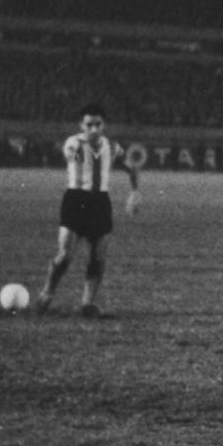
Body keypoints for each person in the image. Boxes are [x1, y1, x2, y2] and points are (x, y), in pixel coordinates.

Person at [35, 103, 141, 318]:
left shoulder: (112, 146)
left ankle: (87, 303)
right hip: (76, 199)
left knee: (98, 257)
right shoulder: (73, 143)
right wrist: (84, 151)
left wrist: (135, 191)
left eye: (98, 124)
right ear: (81, 125)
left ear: (104, 125)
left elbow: (130, 166)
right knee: (66, 255)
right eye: (89, 124)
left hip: (100, 202)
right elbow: (75, 158)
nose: (93, 129)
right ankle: (47, 292)